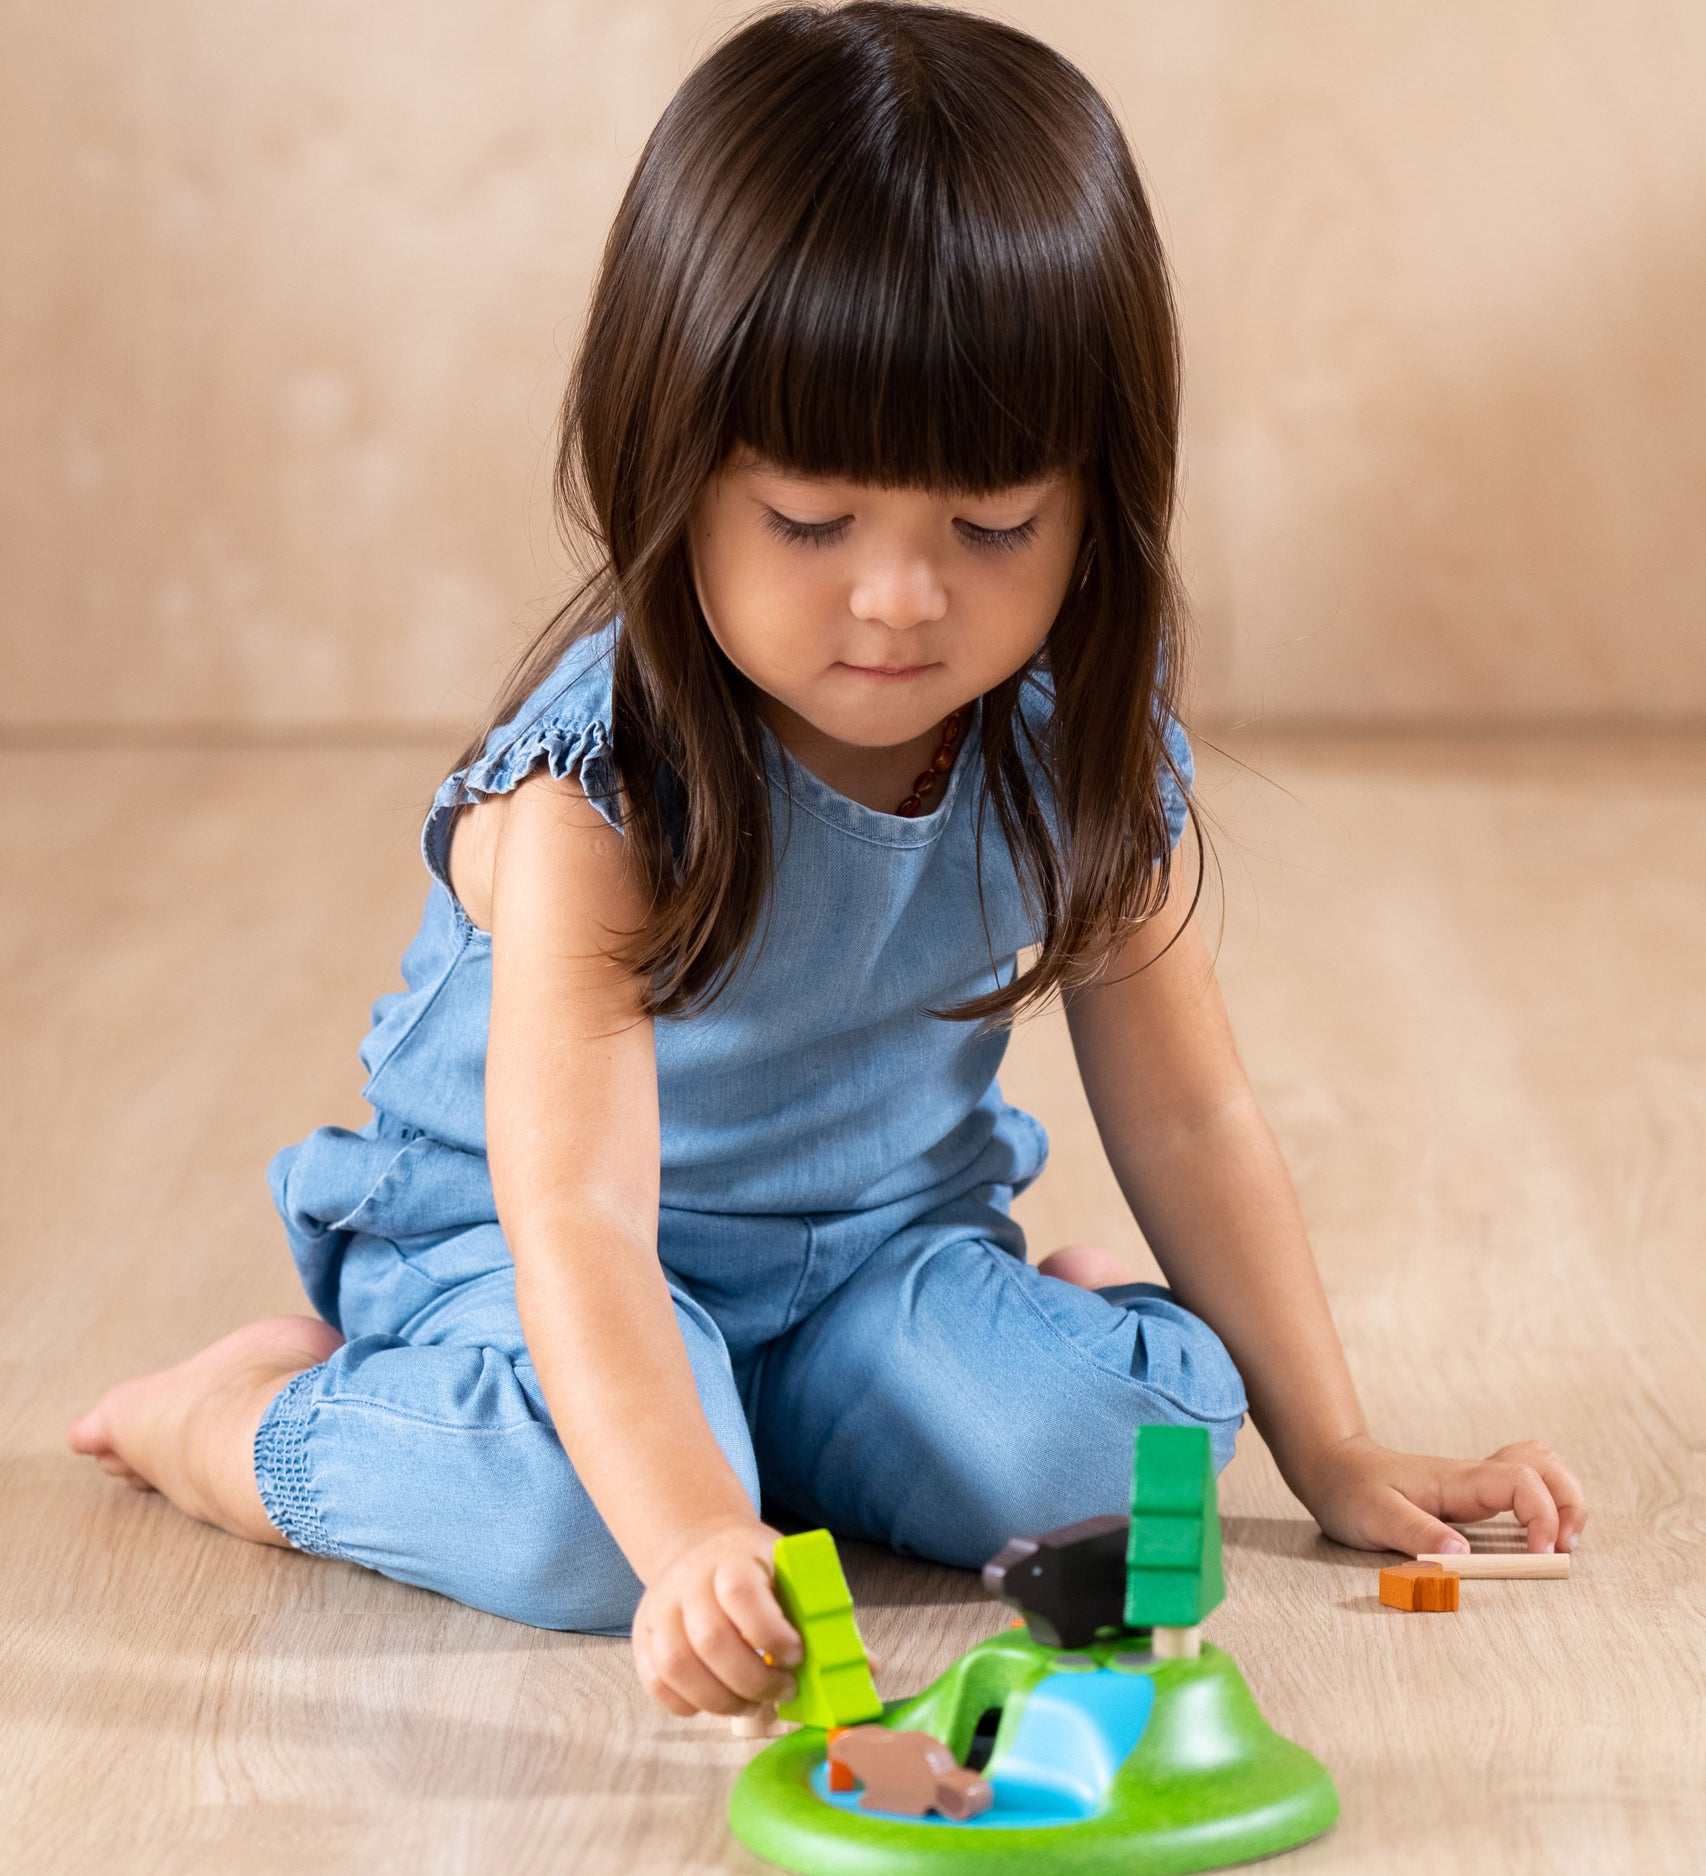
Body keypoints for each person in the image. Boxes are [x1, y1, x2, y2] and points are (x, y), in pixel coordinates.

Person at [67, 0, 1587, 1724]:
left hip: (873, 1257)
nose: (900, 599)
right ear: (674, 471)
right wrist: (697, 1532)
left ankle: (884, 1386)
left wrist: (1333, 1444)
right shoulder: (596, 799)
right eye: (810, 522)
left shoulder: (1063, 745)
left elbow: (1190, 1114)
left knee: (1120, 1460)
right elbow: (576, 1215)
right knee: (581, 1531)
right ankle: (243, 1423)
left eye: (993, 525)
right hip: (543, 1262)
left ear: (1098, 501)